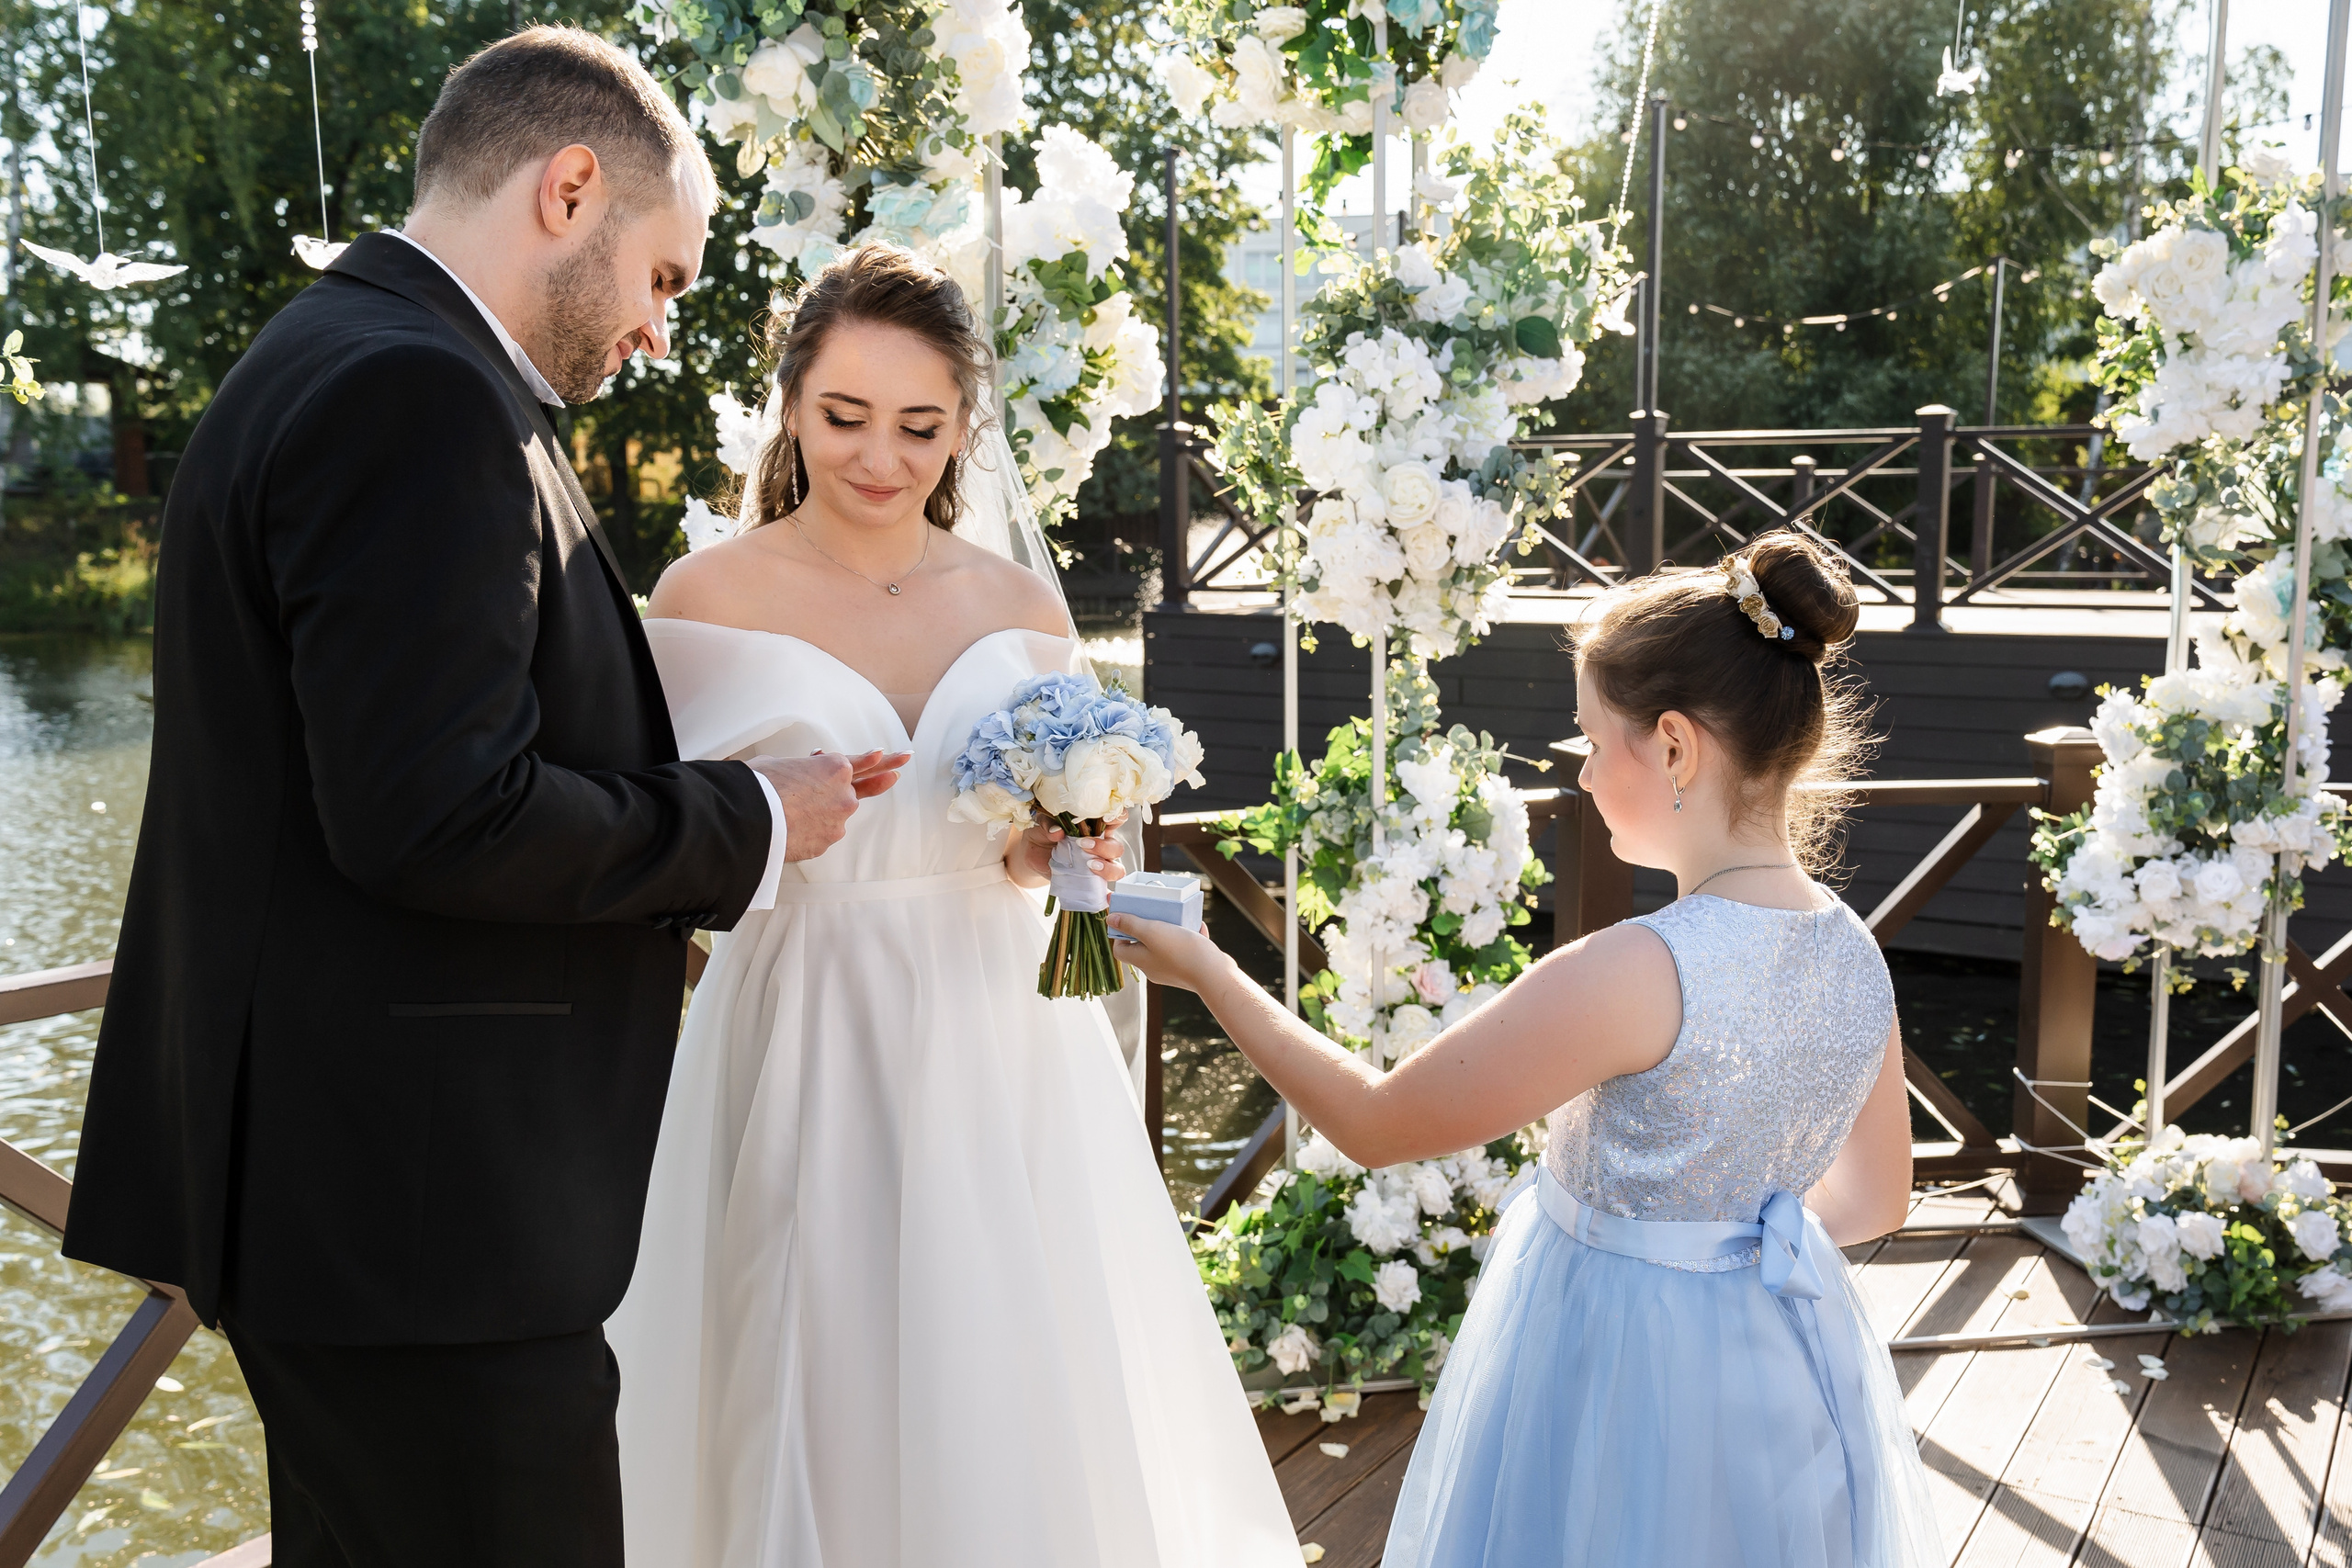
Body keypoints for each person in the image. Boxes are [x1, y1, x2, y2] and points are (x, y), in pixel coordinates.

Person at [62, 29, 904, 1568]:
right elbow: (435, 811)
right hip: (423, 1230)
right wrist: (750, 816)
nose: (659, 329)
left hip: (347, 1203)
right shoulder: (420, 398)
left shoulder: (333, 351)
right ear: (571, 186)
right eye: (661, 276)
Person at [605, 243, 1300, 1568]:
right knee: (813, 1358)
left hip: (1000, 1034)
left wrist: (1055, 854)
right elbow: (649, 852)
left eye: (921, 426)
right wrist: (768, 826)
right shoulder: (703, 599)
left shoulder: (1022, 605)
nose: (880, 457)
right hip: (808, 1021)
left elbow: (1036, 849)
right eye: (844, 417)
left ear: (965, 426)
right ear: (792, 402)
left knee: (1009, 1358)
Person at [1114, 532, 1946, 1568]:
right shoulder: (1853, 950)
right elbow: (1875, 1205)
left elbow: (1376, 1126)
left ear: (1676, 747)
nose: (1588, 775)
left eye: (1597, 741)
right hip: (1777, 1360)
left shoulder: (1638, 967)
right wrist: (1720, 1235)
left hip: (1615, 1359)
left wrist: (1206, 970)